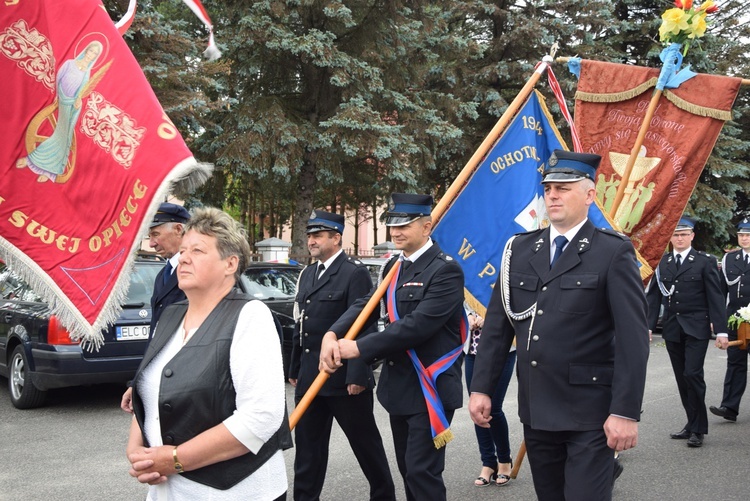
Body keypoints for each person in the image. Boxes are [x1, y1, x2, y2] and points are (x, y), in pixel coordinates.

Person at [469, 150, 650, 501]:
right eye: (549, 187)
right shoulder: (520, 250)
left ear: (589, 195)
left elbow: (632, 340)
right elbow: (498, 328)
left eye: (564, 188)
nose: (553, 194)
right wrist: (482, 388)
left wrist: (625, 411)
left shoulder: (612, 252)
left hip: (591, 412)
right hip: (537, 408)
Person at [126, 207, 291, 501]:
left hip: (236, 492)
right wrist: (137, 450)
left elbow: (261, 417)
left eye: (198, 251)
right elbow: (152, 389)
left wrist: (176, 458)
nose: (184, 258)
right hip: (168, 491)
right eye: (184, 250)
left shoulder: (250, 316)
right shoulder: (171, 316)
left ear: (230, 264)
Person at [319, 193, 465, 501]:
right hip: (399, 388)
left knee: (422, 472)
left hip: (430, 388)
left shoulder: (445, 270)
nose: (396, 232)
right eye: (393, 225)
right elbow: (367, 304)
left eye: (406, 225)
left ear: (427, 227)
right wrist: (333, 333)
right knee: (408, 471)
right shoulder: (394, 268)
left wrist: (357, 348)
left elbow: (418, 326)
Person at [288, 210, 395, 501]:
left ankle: (384, 496)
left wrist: (358, 373)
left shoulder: (354, 272)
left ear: (336, 238)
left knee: (366, 447)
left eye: (318, 235)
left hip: (344, 379)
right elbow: (303, 324)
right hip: (312, 377)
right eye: (310, 235)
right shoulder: (309, 273)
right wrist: (296, 367)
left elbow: (365, 322)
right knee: (308, 452)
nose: (311, 240)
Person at [647, 216, 726, 447]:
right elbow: (654, 298)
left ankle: (699, 428)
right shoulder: (664, 263)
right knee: (682, 379)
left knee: (693, 374)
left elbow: (716, 297)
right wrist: (647, 327)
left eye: (684, 234)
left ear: (692, 236)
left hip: (696, 328)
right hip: (672, 328)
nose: (679, 238)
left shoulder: (704, 262)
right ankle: (691, 424)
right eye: (675, 235)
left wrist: (721, 331)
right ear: (670, 238)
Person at [120, 202, 190, 413]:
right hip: (161, 373)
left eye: (155, 234)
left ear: (178, 229)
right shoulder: (164, 274)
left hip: (182, 376)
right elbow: (156, 335)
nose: (151, 244)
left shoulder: (196, 271)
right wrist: (137, 380)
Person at [16, 41, 103, 182]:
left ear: (95, 57)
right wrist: (57, 95)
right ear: (86, 51)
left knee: (63, 136)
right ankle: (33, 160)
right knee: (59, 134)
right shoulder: (70, 63)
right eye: (90, 51)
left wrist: (78, 100)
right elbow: (58, 78)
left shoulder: (87, 73)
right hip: (61, 99)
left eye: (94, 54)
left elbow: (81, 92)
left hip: (72, 106)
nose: (90, 55)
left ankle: (50, 172)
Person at [463, 310, 516, 487]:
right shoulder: (465, 280)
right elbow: (459, 300)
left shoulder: (506, 280)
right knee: (477, 408)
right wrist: (468, 316)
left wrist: (493, 320)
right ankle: (488, 462)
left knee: (493, 407)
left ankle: (504, 459)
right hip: (473, 349)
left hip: (502, 348)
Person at [709, 218, 750, 422]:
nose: (744, 238)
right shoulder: (729, 260)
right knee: (735, 364)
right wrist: (719, 320)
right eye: (742, 235)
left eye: (748, 235)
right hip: (735, 320)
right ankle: (729, 407)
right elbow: (720, 291)